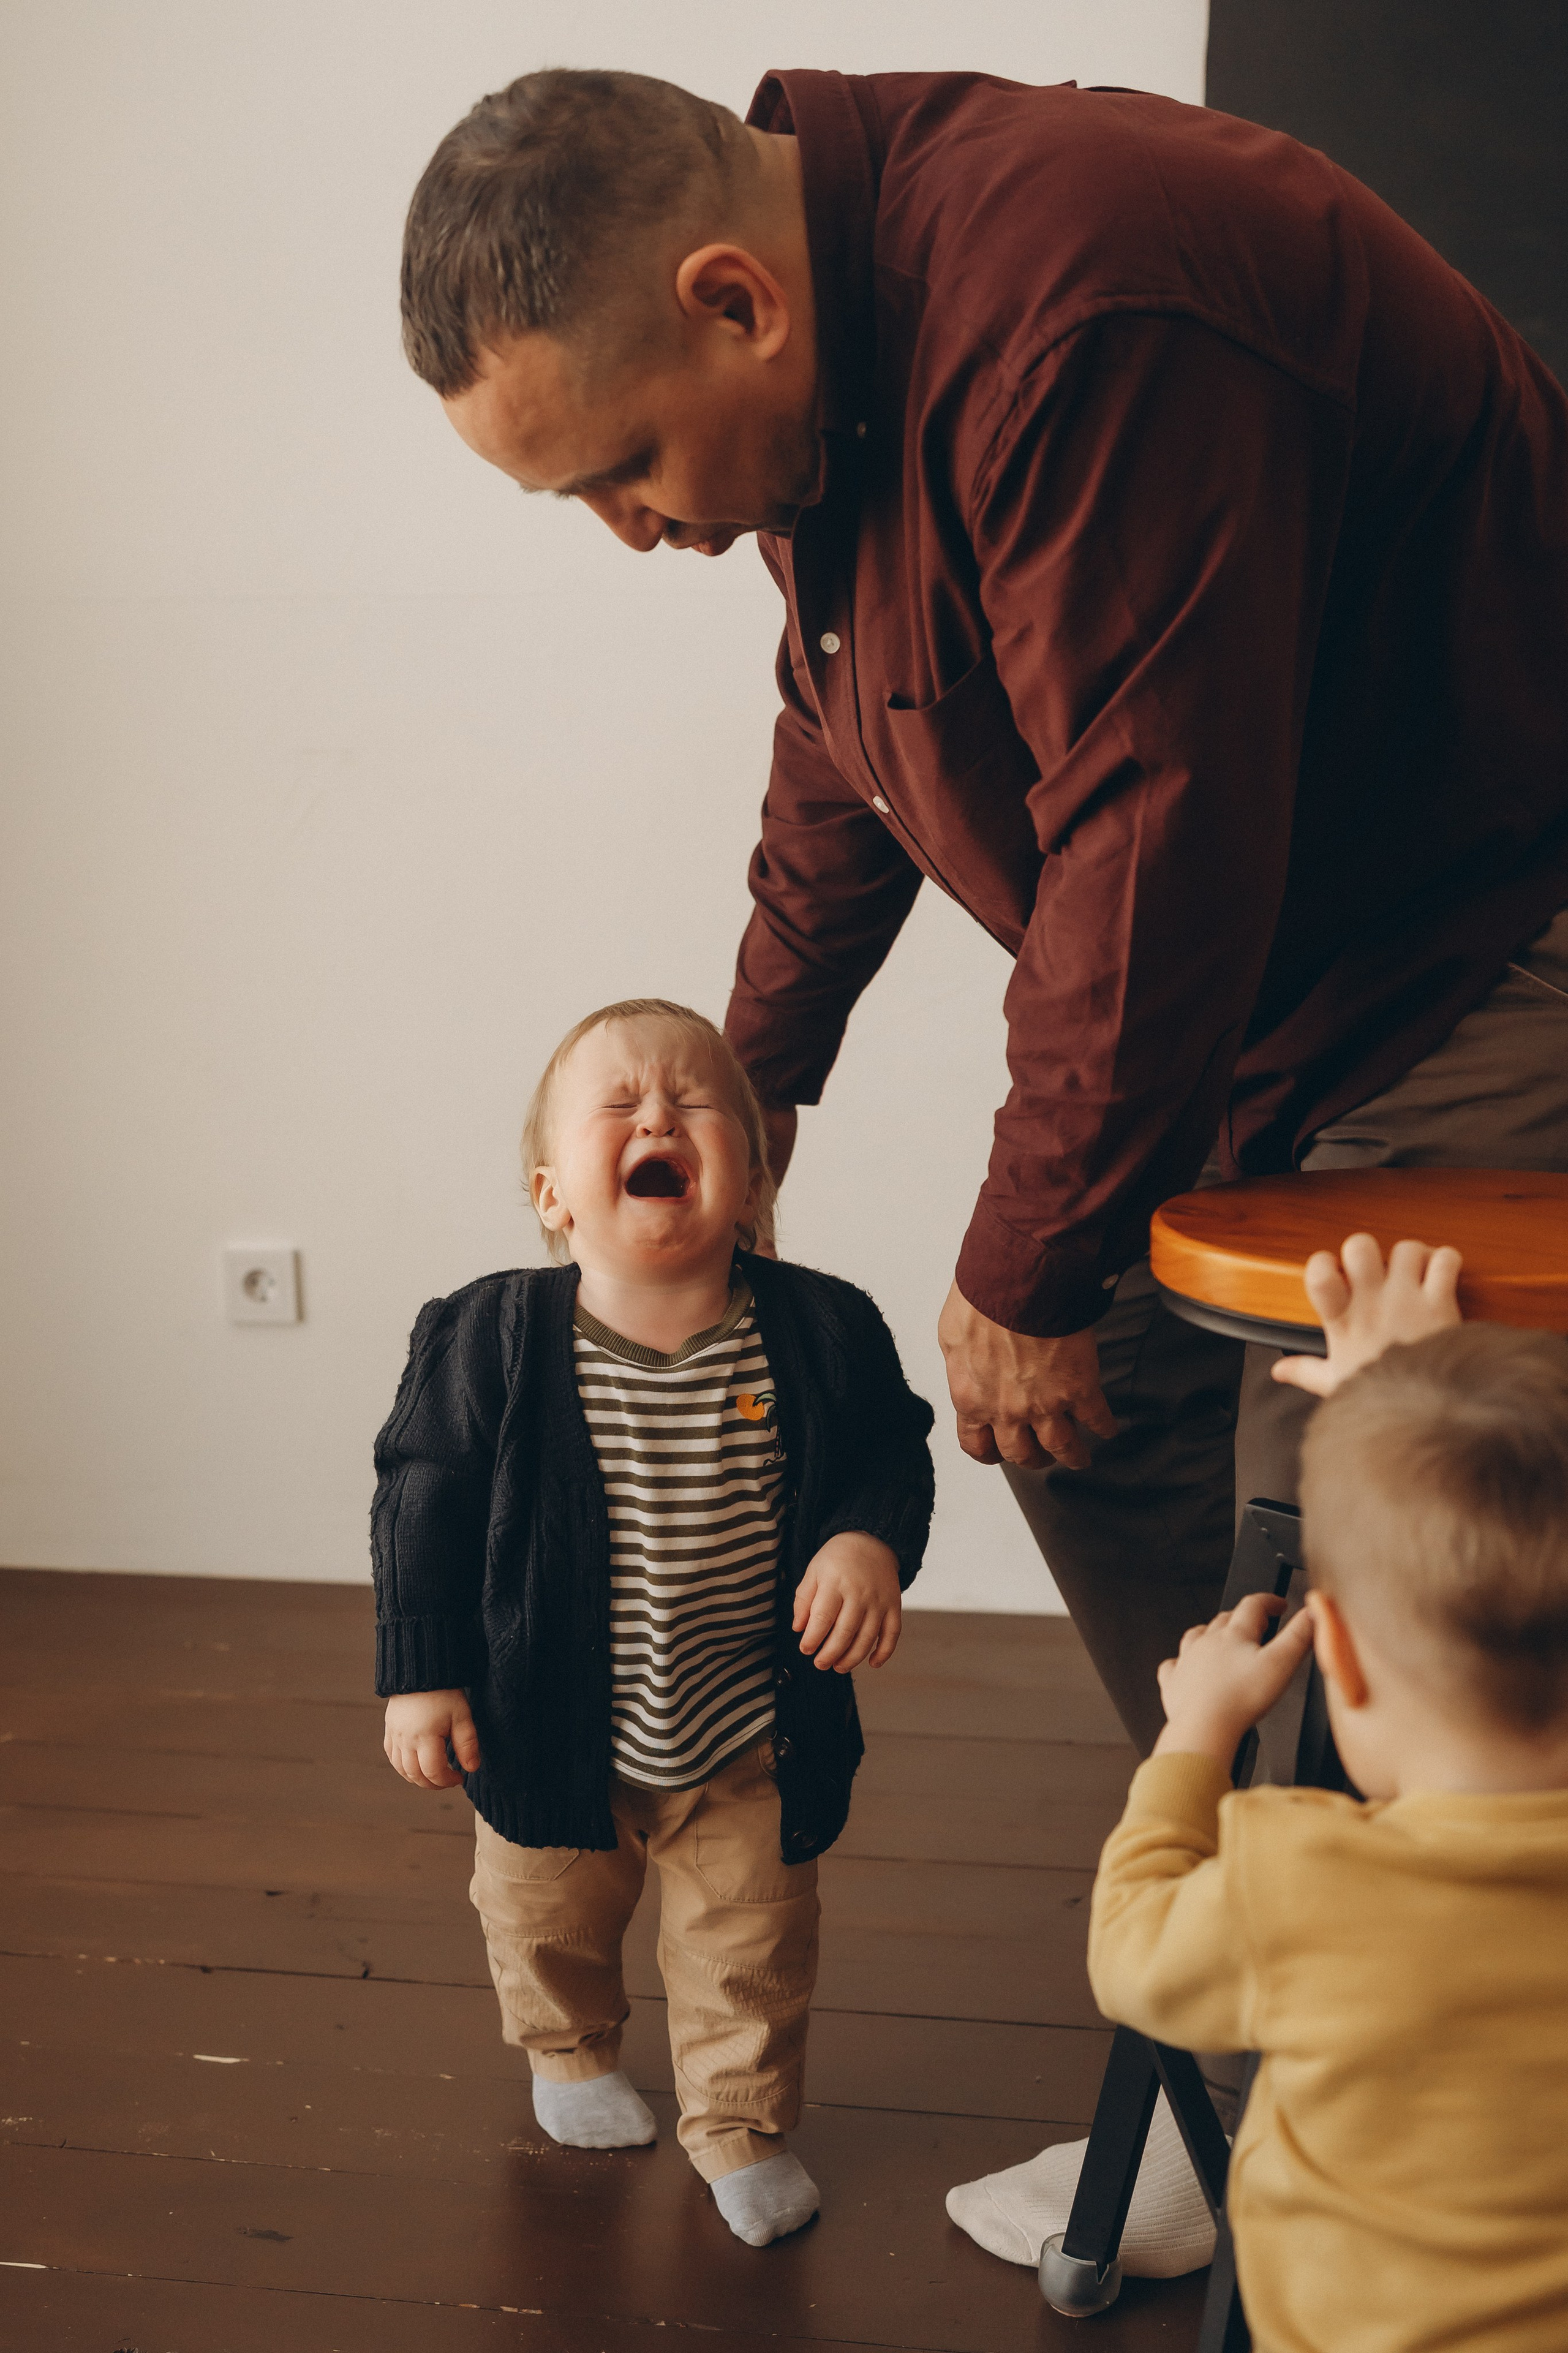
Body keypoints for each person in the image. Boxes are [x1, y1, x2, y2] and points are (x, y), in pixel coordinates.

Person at [396, 64, 1568, 2253]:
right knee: (1089, 1419)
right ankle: (1275, 2070)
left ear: (734, 299)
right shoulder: (828, 399)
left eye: (622, 469)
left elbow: (1156, 835)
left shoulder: (1083, 306)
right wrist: (750, 1085)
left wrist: (1020, 1261)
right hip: (1271, 989)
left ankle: (1424, 2134)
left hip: (1485, 947)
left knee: (1388, 1503)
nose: (631, 534)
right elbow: (846, 745)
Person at [371, 999, 933, 2248]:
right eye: (619, 1104)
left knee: (751, 1946)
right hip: (539, 1725)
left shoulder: (822, 1327)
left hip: (748, 1734)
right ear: (551, 1194)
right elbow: (421, 1497)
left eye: (694, 1102)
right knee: (545, 1917)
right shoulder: (488, 1335)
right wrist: (423, 1674)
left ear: (753, 1181)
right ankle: (569, 2052)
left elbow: (890, 1451)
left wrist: (866, 1538)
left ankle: (738, 2121)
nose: (658, 1118)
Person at [1082, 1236, 1568, 2348]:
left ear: (1333, 1653)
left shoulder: (1296, 1877)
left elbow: (1131, 1949)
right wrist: (1410, 1413)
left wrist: (1196, 1736)